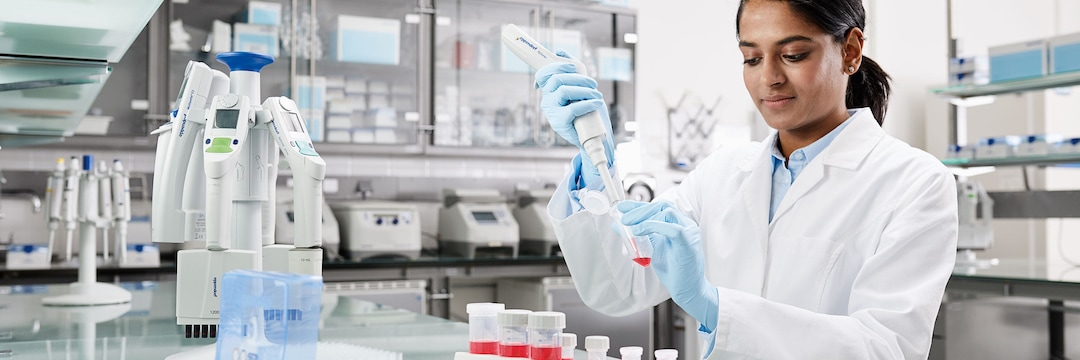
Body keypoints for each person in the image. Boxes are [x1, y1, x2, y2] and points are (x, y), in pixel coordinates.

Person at [536, 0, 959, 359]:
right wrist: (595, 174)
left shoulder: (915, 183)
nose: (768, 77)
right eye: (751, 58)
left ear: (850, 51)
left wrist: (715, 307)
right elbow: (619, 288)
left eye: (792, 55)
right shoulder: (722, 173)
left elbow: (886, 348)